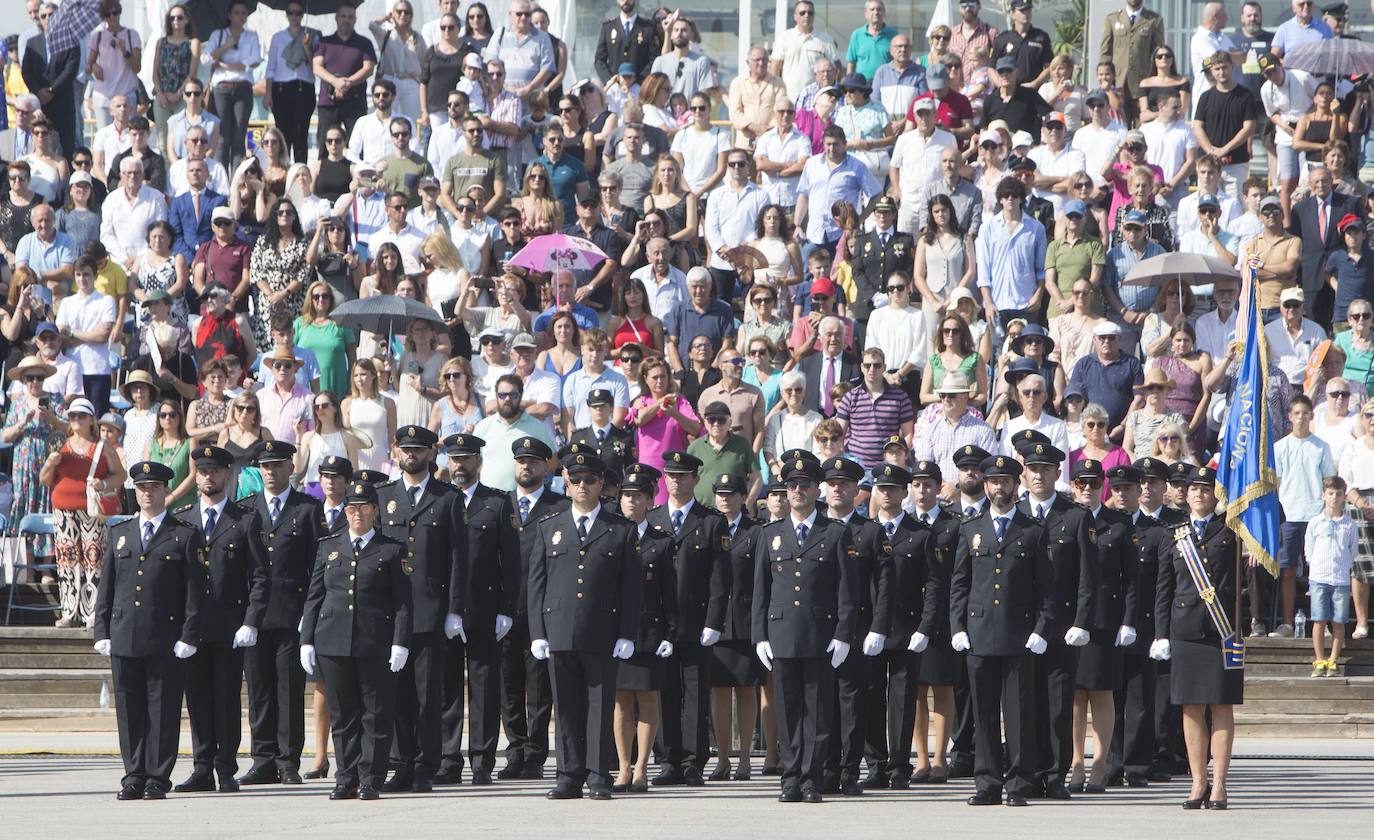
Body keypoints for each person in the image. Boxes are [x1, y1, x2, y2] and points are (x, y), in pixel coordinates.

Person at [91, 459, 201, 801]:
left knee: (163, 710)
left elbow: (194, 592)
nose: (147, 493)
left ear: (165, 490)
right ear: (134, 492)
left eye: (153, 487)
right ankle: (133, 775)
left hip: (165, 637)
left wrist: (189, 634)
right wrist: (101, 631)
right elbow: (106, 587)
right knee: (129, 710)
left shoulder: (182, 534)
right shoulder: (120, 533)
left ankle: (157, 776)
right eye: (141, 487)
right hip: (125, 634)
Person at [299, 478, 411, 801]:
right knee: (343, 715)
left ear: (375, 511)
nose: (357, 514)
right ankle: (345, 778)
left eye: (363, 508)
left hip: (375, 642)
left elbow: (403, 602)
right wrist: (307, 639)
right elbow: (314, 597)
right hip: (333, 642)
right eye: (351, 508)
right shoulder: (329, 546)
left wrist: (400, 642)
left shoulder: (391, 550)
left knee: (374, 715)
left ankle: (370, 778)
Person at [949, 454, 1051, 807]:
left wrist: (1041, 628)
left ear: (1015, 485)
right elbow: (959, 584)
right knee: (983, 714)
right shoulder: (970, 528)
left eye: (1005, 481)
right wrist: (957, 626)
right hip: (978, 633)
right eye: (993, 481)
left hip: (1019, 635)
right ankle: (987, 783)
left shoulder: (1033, 530)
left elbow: (1045, 588)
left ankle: (1019, 784)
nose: (999, 487)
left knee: (1019, 714)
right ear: (987, 485)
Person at [171, 445, 268, 794]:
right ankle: (201, 767)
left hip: (230, 624)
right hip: (192, 627)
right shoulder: (184, 519)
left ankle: (225, 766)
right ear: (195, 476)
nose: (208, 477)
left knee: (226, 698)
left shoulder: (244, 520)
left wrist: (251, 620)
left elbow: (260, 574)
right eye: (203, 471)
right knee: (196, 698)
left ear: (227, 475)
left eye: (215, 471)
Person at [1152, 466, 1241, 811]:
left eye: (1206, 489)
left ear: (1215, 494)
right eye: (1194, 490)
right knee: (1191, 708)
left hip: (1223, 632)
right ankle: (1197, 781)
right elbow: (1164, 589)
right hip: (1186, 631)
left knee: (1221, 706)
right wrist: (1161, 634)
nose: (1200, 495)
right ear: (1184, 495)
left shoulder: (1232, 530)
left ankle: (1219, 783)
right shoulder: (1173, 534)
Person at [235, 440, 320, 786]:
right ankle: (263, 757)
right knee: (260, 691)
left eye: (277, 465)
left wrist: (310, 613)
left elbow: (318, 565)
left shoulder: (308, 509)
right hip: (255, 617)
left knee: (288, 690)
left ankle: (288, 760)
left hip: (291, 613)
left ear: (290, 467)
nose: (270, 472)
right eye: (265, 466)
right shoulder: (245, 508)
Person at [609, 463, 676, 791]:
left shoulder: (661, 542)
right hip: (616, 631)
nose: (631, 501)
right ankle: (622, 767)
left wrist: (670, 632)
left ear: (650, 501)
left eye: (638, 496)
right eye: (626, 495)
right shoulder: (610, 535)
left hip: (649, 630)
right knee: (621, 701)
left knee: (648, 699)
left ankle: (641, 768)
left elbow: (669, 593)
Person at [1, 355, 64, 566]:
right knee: (23, 506)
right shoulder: (17, 404)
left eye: (38, 377)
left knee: (47, 506)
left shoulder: (55, 400)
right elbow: (5, 436)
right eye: (30, 378)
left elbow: (69, 429)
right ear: (23, 380)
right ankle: (27, 567)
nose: (34, 382)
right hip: (23, 464)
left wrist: (52, 419)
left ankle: (46, 569)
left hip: (48, 462)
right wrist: (23, 422)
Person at [976, 176, 1047, 330]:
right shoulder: (987, 228)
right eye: (1005, 195)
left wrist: (1038, 295)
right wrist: (988, 303)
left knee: (1027, 351)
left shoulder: (1036, 228)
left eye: (1014, 195)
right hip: (996, 303)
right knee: (997, 352)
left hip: (1026, 302)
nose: (1010, 199)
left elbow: (1042, 269)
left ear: (1021, 198)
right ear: (1000, 199)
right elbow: (983, 270)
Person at [1306, 475, 1355, 676]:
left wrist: (1343, 567)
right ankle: (1319, 659)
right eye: (1330, 493)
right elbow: (1309, 550)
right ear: (1323, 495)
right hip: (1319, 577)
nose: (1334, 498)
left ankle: (1333, 659)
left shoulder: (1350, 524)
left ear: (1344, 496)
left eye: (1338, 494)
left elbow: (1352, 551)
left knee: (1339, 621)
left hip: (1341, 579)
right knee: (1319, 619)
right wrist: (1316, 568)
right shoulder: (1315, 522)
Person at [312, 5, 377, 152]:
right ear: (336, 18)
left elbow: (368, 68)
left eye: (350, 17)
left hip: (355, 101)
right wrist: (335, 82)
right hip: (328, 102)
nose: (346, 20)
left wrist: (348, 83)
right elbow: (316, 67)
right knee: (325, 145)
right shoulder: (324, 42)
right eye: (343, 16)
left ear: (355, 20)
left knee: (357, 147)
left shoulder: (364, 43)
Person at [1100, 0, 1165, 123]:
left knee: (1141, 130)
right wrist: (1105, 81)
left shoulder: (1154, 20)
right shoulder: (1113, 19)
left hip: (1142, 84)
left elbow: (1158, 54)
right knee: (1117, 126)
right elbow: (1105, 54)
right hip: (1118, 84)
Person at [594, 0, 662, 83]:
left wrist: (640, 82)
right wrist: (610, 81)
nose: (625, 1)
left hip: (639, 88)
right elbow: (599, 60)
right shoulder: (608, 28)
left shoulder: (648, 28)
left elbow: (655, 59)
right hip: (614, 88)